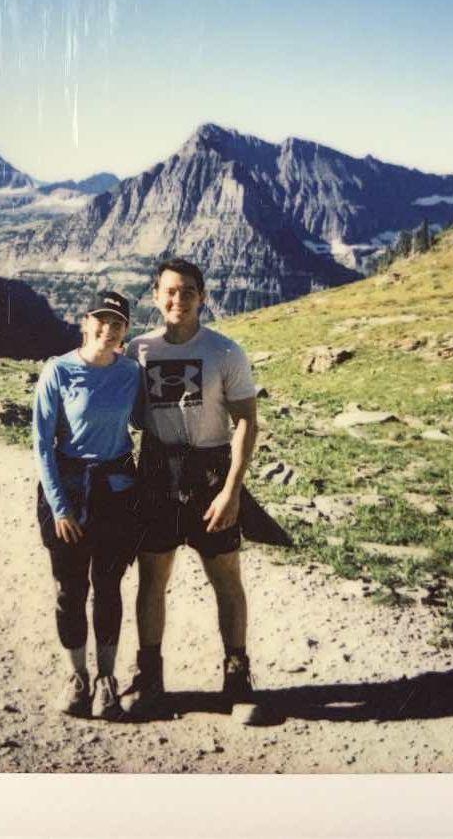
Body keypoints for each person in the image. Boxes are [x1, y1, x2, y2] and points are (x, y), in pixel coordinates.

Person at [121, 258, 260, 719]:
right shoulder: (138, 350)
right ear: (155, 296)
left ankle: (237, 677)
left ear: (202, 296)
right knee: (152, 579)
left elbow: (245, 421)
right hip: (158, 471)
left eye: (186, 292)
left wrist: (232, 490)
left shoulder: (225, 352)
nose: (177, 300)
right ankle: (150, 676)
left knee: (226, 578)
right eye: (169, 291)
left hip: (211, 472)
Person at [32, 290, 143, 719]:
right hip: (70, 489)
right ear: (85, 322)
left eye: (116, 324)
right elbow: (42, 444)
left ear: (125, 332)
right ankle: (77, 676)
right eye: (100, 320)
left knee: (109, 587)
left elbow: (145, 421)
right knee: (70, 589)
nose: (107, 329)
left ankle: (107, 679)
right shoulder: (57, 371)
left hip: (115, 491)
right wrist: (59, 508)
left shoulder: (131, 372)